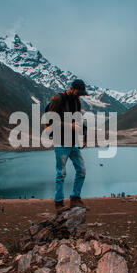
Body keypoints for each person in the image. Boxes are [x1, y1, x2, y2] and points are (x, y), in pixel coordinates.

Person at [47, 79, 89, 214]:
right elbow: (50, 120)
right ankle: (58, 203)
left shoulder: (77, 101)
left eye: (81, 94)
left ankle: (75, 198)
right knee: (61, 173)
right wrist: (69, 125)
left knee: (81, 170)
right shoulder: (59, 99)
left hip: (72, 142)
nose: (80, 95)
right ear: (71, 88)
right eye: (78, 92)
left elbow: (78, 120)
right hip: (60, 141)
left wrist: (83, 136)